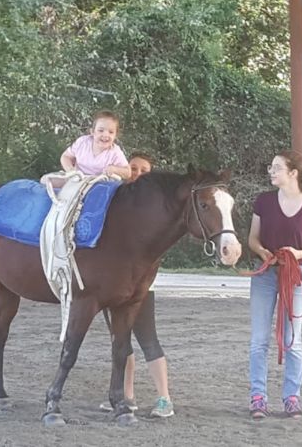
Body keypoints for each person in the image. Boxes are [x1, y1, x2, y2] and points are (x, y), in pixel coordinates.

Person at [246, 149, 302, 420]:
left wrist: (297, 254)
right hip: (266, 274)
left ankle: (292, 397)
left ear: (293, 173)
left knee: (293, 340)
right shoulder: (264, 202)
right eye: (271, 167)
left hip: (295, 274)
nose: (271, 171)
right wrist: (263, 253)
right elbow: (253, 239)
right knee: (259, 340)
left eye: (276, 167)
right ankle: (258, 397)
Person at [99, 152, 175, 418]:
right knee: (120, 341)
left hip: (141, 285)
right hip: (114, 284)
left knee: (148, 339)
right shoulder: (115, 199)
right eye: (133, 168)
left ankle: (164, 398)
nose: (138, 174)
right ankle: (126, 395)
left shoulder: (154, 209)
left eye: (145, 170)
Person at [60, 110, 131, 179]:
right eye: (101, 130)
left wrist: (114, 169)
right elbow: (65, 156)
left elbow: (128, 172)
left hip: (101, 186)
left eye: (111, 132)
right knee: (51, 182)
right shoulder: (82, 142)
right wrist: (71, 171)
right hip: (77, 181)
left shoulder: (115, 152)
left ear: (116, 135)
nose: (106, 135)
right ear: (92, 132)